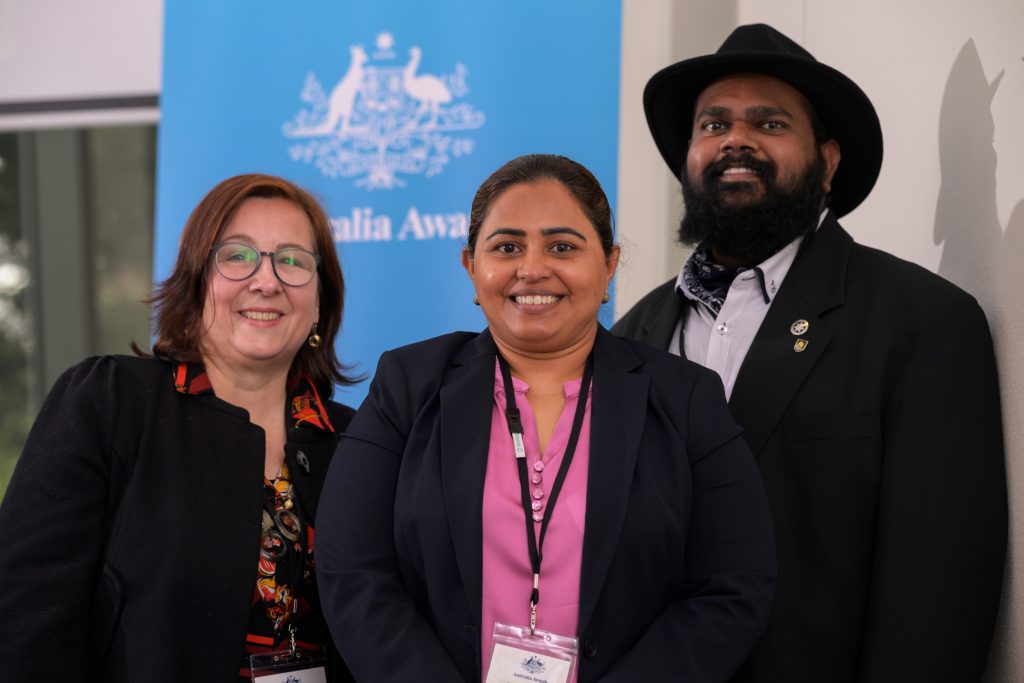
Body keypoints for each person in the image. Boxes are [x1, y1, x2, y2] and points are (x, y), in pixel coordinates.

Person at [612, 23, 1006, 682]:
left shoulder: (922, 323)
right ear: (689, 157)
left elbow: (938, 591)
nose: (735, 139)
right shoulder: (629, 337)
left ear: (826, 162)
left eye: (769, 122)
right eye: (713, 125)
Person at [315, 153, 776, 683]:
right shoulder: (408, 385)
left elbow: (734, 585)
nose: (532, 268)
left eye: (562, 246)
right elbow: (353, 571)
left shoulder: (685, 398)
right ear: (471, 267)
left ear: (607, 266)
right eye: (507, 247)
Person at [0, 173, 359, 682]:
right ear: (195, 282)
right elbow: (26, 620)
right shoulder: (109, 402)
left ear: (320, 301)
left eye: (293, 261)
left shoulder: (357, 442)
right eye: (238, 256)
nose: (267, 280)